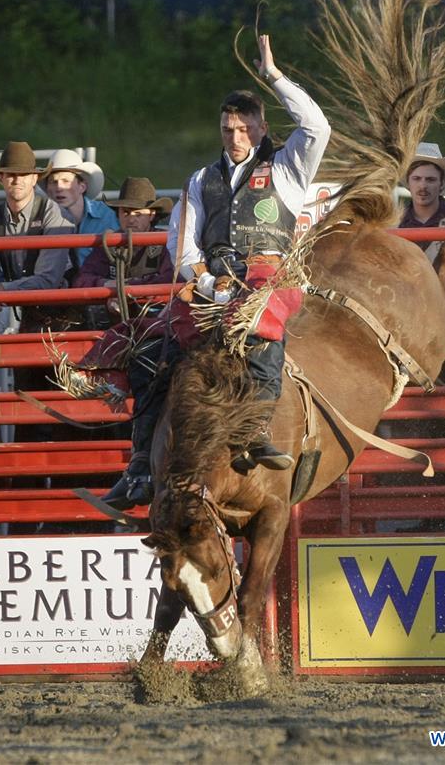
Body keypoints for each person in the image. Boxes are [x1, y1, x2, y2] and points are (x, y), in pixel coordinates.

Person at [103, 33, 331, 510]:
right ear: (220, 129)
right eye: (229, 129)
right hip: (211, 284)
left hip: (268, 279)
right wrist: (204, 279)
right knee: (148, 351)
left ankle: (255, 430)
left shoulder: (288, 167)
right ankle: (142, 463)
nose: (236, 136)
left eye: (245, 128)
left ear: (262, 126)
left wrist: (274, 76)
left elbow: (317, 127)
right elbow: (181, 242)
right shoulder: (200, 179)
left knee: (261, 326)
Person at [0, 141, 75, 444]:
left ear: (34, 178)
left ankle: (63, 485)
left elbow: (48, 280)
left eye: (22, 174)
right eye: (10, 174)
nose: (16, 180)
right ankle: (33, 483)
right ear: (0, 178)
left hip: (64, 323)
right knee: (30, 408)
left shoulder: (54, 216)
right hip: (29, 321)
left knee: (65, 410)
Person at [73, 176, 174, 323]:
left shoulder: (165, 243)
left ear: (152, 215)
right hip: (114, 323)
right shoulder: (109, 244)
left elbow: (170, 279)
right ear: (118, 214)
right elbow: (82, 280)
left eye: (138, 214)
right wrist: (107, 286)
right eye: (125, 213)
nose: (131, 219)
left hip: (155, 322)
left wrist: (124, 289)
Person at [45, 149, 118, 267]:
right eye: (53, 182)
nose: (59, 187)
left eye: (66, 181)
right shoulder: (41, 219)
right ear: (47, 190)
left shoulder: (109, 216)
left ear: (82, 187)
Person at [399, 142, 445, 264]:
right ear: (408, 182)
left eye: (430, 180)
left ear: (441, 184)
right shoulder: (395, 222)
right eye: (416, 179)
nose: (423, 186)